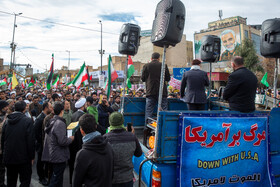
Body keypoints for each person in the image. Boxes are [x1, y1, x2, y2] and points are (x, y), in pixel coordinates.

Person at [72, 114, 114, 187]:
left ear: (81, 131)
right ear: (96, 126)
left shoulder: (82, 154)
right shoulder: (108, 146)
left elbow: (76, 182)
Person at [1, 101, 35, 187]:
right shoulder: (27, 121)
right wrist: (32, 156)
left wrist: (4, 154)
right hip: (24, 158)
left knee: (11, 181)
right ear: (24, 109)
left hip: (9, 156)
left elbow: (3, 139)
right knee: (25, 181)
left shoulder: (7, 121)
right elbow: (30, 141)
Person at [104, 112, 142, 187]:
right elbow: (138, 154)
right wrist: (132, 135)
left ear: (110, 122)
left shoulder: (104, 138)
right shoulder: (132, 137)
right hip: (127, 179)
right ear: (122, 121)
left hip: (111, 179)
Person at [42, 101, 74, 187]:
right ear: (61, 111)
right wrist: (70, 139)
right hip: (58, 155)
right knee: (56, 179)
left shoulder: (52, 120)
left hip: (53, 153)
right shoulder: (59, 123)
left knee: (57, 178)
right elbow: (62, 141)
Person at [141, 52, 170, 124]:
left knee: (149, 111)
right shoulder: (163, 65)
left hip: (150, 91)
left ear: (151, 58)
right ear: (159, 58)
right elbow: (168, 78)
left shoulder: (146, 66)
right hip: (162, 91)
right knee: (163, 110)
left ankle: (147, 129)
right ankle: (164, 127)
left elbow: (143, 79)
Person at [33, 101, 53, 186]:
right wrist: (41, 142)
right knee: (40, 162)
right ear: (46, 108)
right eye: (50, 107)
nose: (52, 109)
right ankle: (41, 178)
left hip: (45, 143)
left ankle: (45, 175)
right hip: (41, 144)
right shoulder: (40, 118)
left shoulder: (47, 117)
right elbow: (36, 133)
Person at [69, 98, 87, 185]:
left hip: (73, 142)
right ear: (83, 107)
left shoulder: (73, 114)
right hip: (80, 142)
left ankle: (71, 181)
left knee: (72, 163)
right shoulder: (83, 116)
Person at [0, 101, 9, 187]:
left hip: (3, 146)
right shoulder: (4, 118)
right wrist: (5, 120)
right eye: (6, 107)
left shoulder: (5, 116)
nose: (7, 108)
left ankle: (2, 183)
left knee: (2, 168)